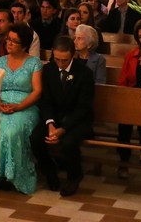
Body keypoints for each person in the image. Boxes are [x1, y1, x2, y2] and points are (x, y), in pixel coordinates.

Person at [31, 36, 95, 197]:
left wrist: (63, 129)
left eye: (64, 60)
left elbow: (83, 107)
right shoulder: (48, 70)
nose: (60, 64)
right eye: (57, 59)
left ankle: (74, 176)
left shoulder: (85, 73)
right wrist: (50, 124)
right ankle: (49, 171)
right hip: (55, 118)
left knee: (69, 141)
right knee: (35, 138)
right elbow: (45, 101)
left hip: (78, 120)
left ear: (73, 55)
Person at [0, 23, 42, 194]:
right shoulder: (0, 61)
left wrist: (19, 106)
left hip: (25, 107)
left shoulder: (34, 63)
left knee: (11, 132)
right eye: (8, 39)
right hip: (0, 106)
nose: (9, 43)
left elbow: (37, 91)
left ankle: (13, 175)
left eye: (14, 41)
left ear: (24, 45)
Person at [117, 19, 141, 179]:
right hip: (133, 94)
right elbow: (123, 80)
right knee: (124, 123)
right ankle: (123, 159)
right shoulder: (131, 55)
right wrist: (125, 97)